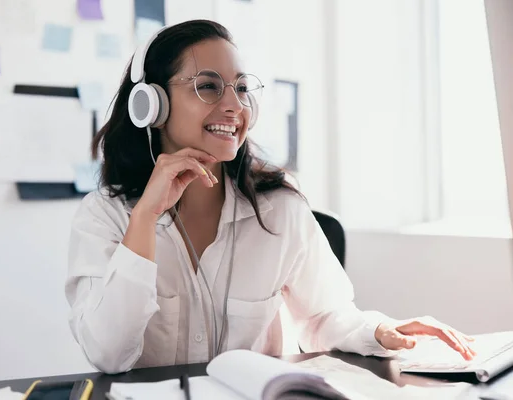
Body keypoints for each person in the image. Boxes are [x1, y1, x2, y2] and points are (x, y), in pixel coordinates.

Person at [65, 19, 475, 374]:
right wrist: (145, 219)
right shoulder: (105, 217)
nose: (234, 106)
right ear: (150, 104)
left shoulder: (281, 208)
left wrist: (380, 331)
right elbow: (109, 355)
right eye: (208, 86)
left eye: (242, 88)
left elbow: (323, 316)